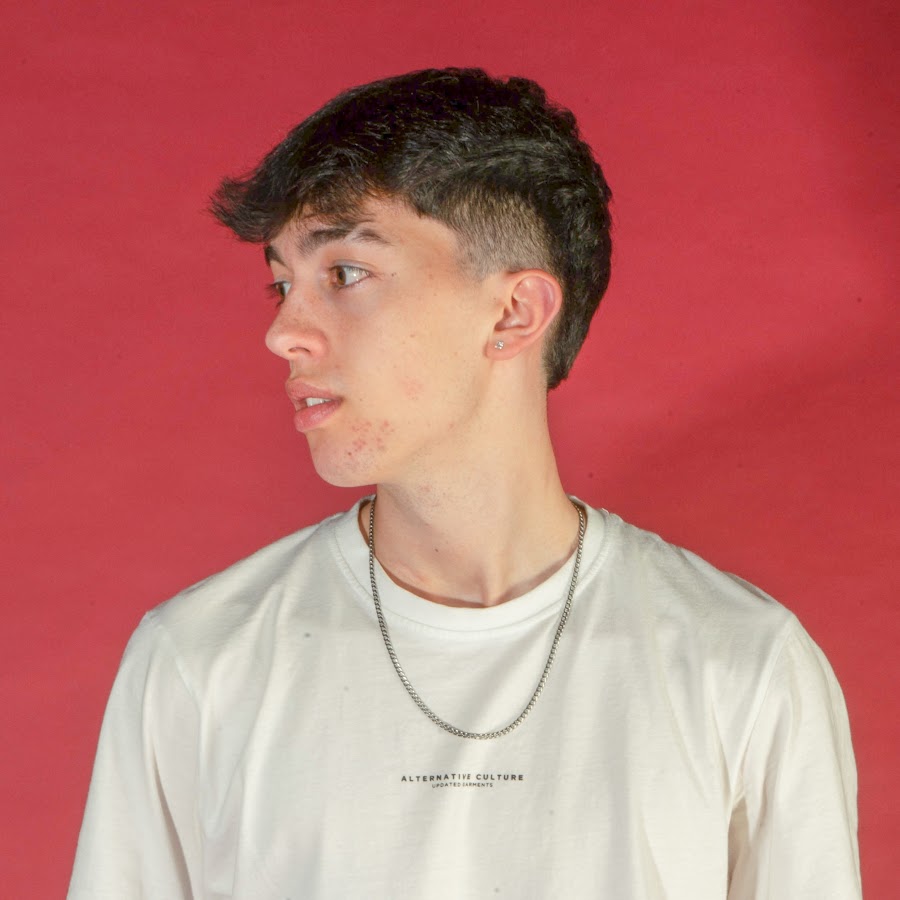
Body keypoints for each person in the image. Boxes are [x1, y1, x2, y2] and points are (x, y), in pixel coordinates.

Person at [68, 68, 861, 899]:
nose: (282, 333)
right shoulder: (199, 660)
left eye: (344, 273)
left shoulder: (741, 664)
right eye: (281, 284)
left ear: (514, 314)